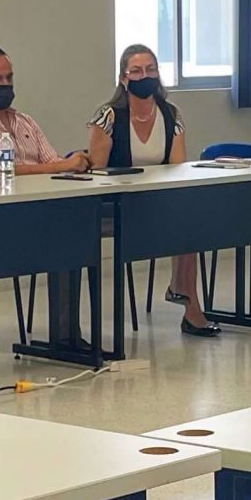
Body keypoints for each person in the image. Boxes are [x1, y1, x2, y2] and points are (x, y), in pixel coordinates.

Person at [0, 43, 94, 345]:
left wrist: (67, 165)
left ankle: (67, 337)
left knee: (80, 228)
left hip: (39, 212)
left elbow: (54, 166)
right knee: (68, 234)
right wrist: (63, 164)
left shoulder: (25, 121)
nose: (5, 86)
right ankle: (65, 338)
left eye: (9, 78)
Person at [88, 43, 216, 336]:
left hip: (156, 201)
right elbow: (96, 169)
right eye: (136, 71)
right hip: (115, 202)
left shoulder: (171, 114)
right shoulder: (108, 115)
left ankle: (184, 295)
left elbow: (177, 165)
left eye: (150, 69)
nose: (144, 75)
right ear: (123, 78)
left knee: (192, 218)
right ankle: (185, 296)